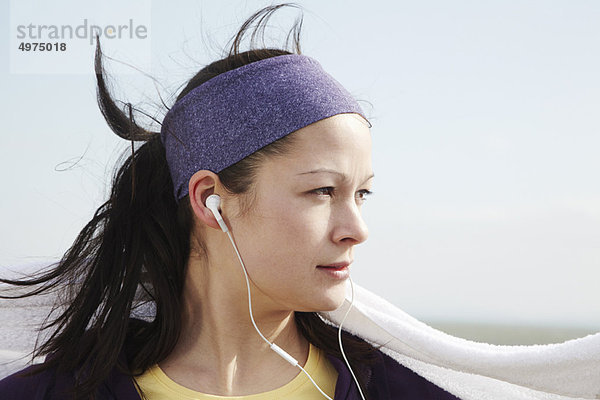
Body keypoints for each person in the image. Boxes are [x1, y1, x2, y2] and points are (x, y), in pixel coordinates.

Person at [0, 4, 460, 400]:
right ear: (209, 200)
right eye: (323, 191)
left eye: (362, 194)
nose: (357, 229)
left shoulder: (402, 391)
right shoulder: (47, 392)